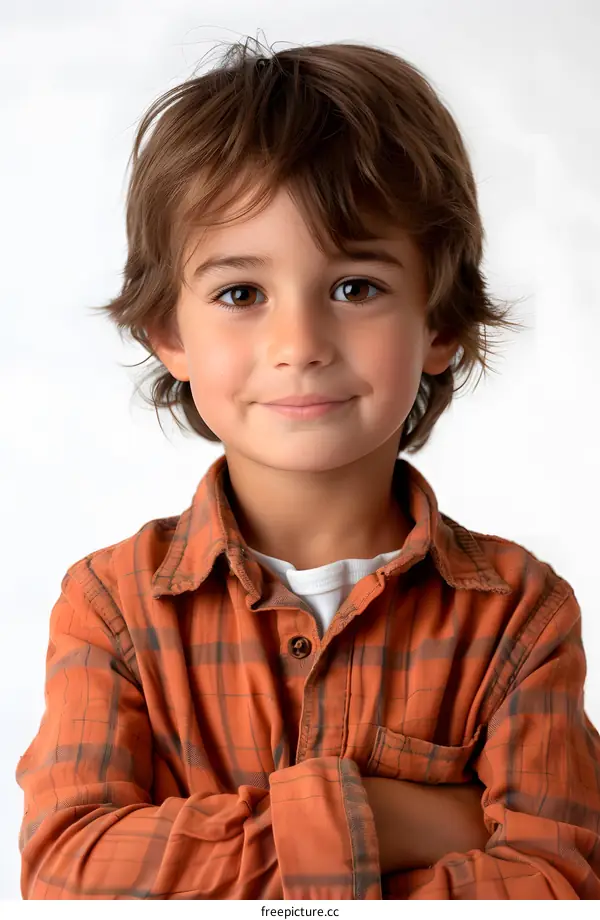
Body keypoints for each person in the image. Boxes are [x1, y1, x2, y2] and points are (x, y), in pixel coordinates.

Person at [15, 35, 600, 900]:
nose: (299, 347)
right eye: (241, 294)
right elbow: (69, 872)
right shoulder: (110, 609)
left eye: (355, 287)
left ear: (439, 323)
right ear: (168, 335)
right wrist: (386, 817)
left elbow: (558, 882)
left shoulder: (519, 616)